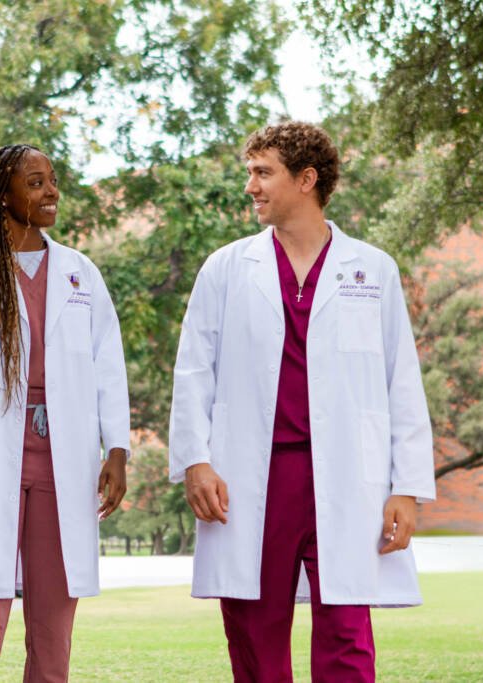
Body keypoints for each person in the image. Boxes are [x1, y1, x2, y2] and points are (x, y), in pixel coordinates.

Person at [169, 122, 436, 682]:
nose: (251, 187)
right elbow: (194, 371)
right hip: (251, 473)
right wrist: (195, 461)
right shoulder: (225, 268)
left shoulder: (372, 270)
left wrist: (406, 488)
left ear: (307, 179)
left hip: (344, 474)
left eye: (263, 173)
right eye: (251, 173)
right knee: (253, 631)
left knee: (345, 631)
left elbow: (401, 384)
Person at [0, 144, 130, 682]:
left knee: (54, 621)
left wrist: (118, 450)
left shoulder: (81, 274)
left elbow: (109, 368)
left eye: (52, 180)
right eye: (35, 183)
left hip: (64, 462)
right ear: (2, 196)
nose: (51, 191)